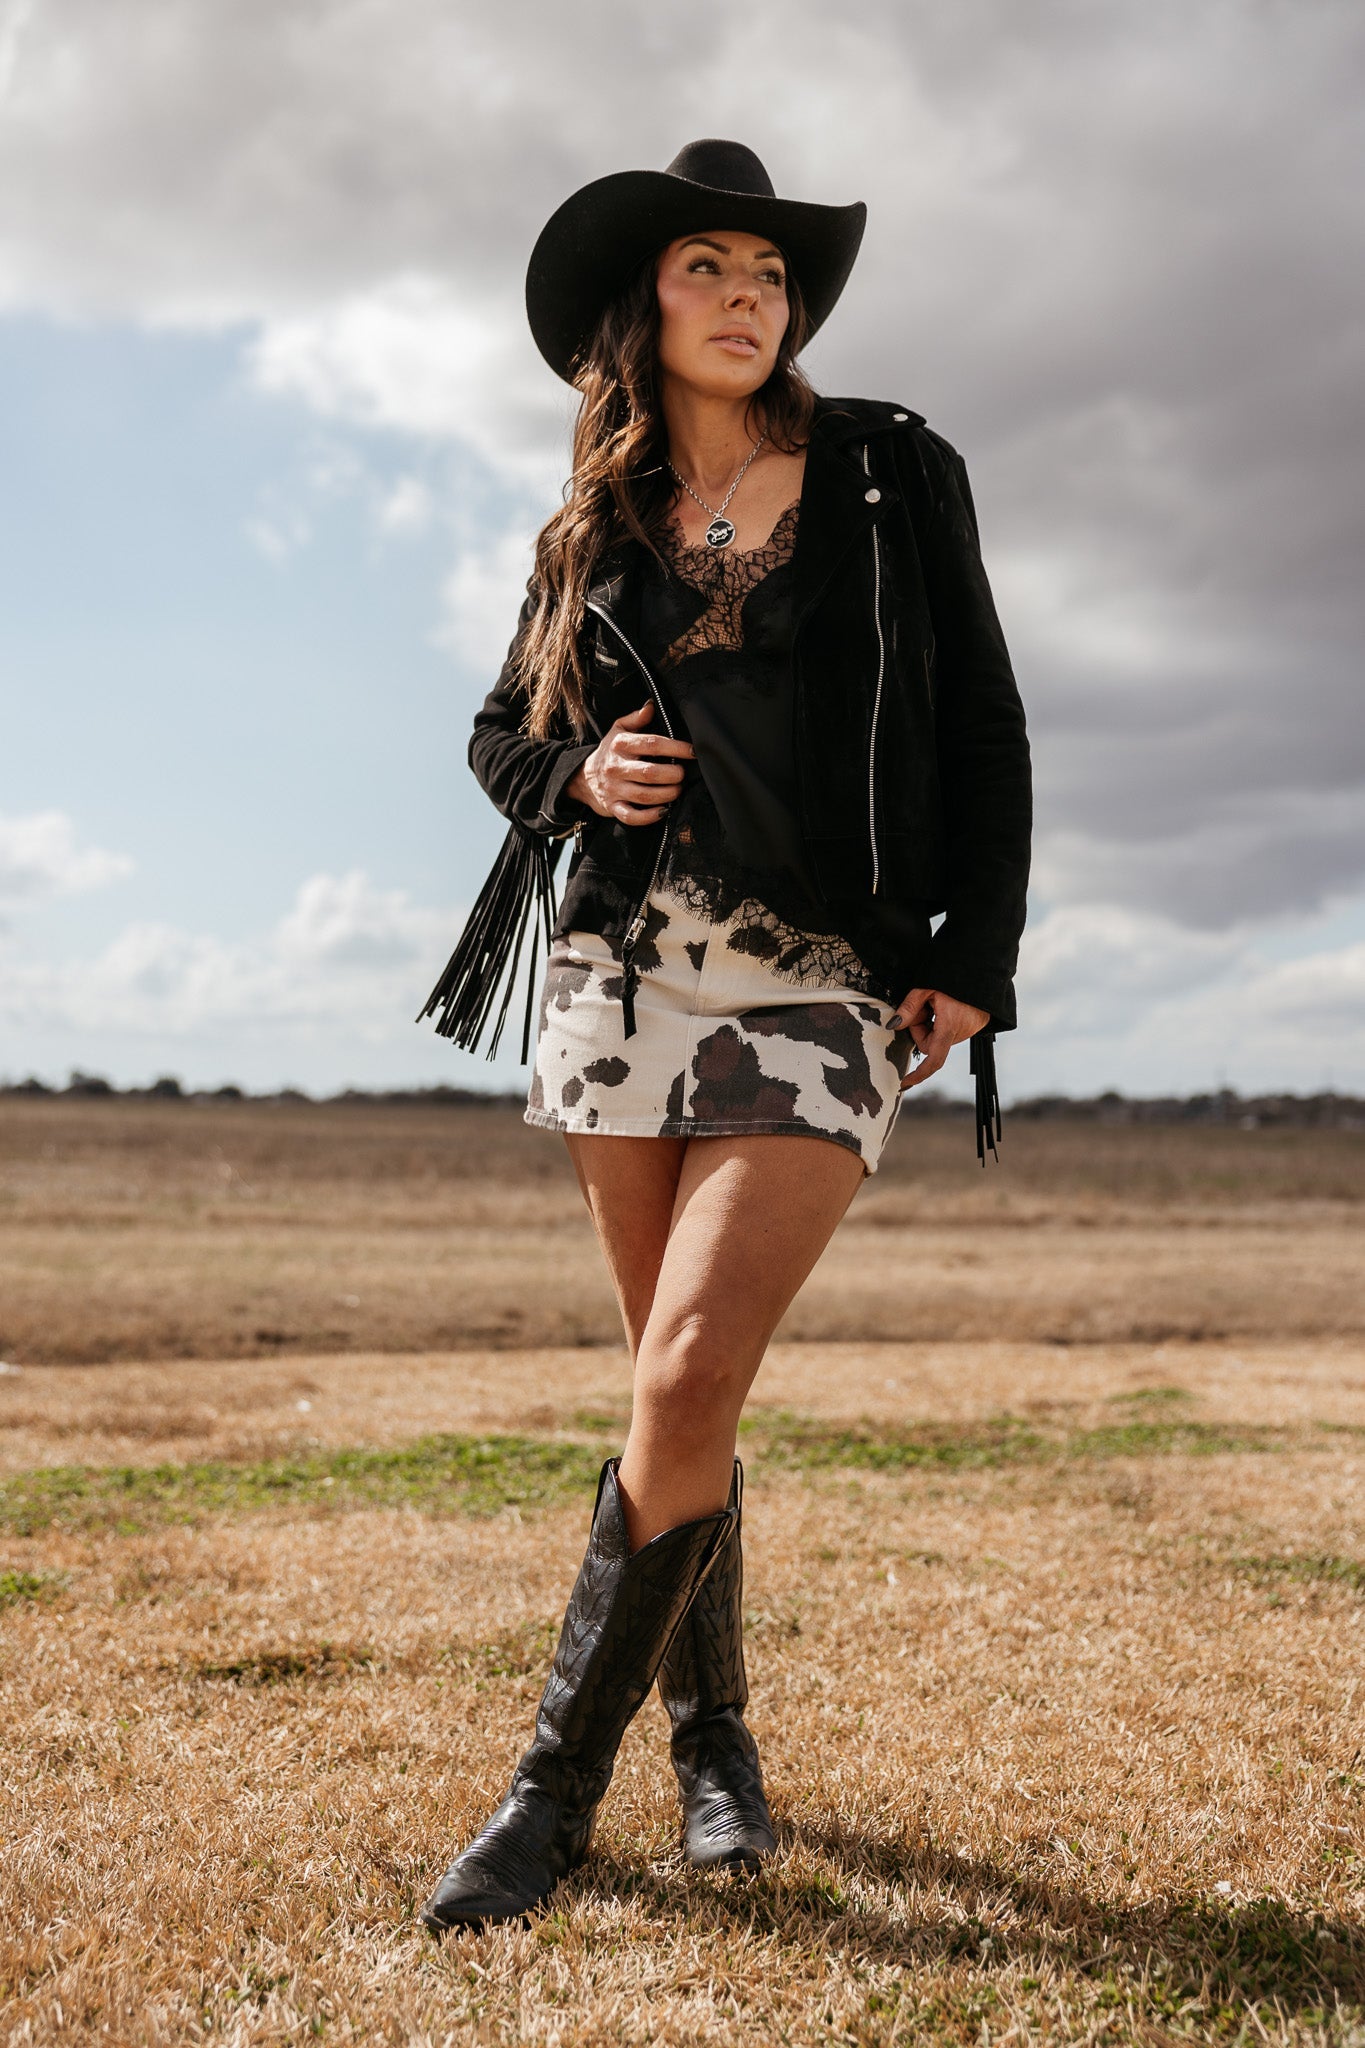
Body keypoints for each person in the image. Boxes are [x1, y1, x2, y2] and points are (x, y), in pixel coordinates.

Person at [417, 137, 1031, 1932]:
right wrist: (577, 773)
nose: (749, 296)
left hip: (820, 972)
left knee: (684, 1375)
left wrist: (972, 947)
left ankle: (545, 1799)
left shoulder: (884, 476)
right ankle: (718, 1757)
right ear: (644, 306)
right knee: (675, 1404)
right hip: (619, 975)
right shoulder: (588, 527)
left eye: (770, 274)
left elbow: (982, 719)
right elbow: (493, 739)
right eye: (710, 268)